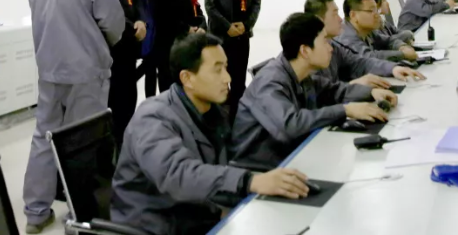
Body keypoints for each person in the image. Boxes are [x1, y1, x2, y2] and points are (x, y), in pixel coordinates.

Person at [111, 33, 311, 234]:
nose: (227, 78)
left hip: (196, 216)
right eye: (217, 70)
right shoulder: (153, 118)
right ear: (187, 78)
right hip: (155, 227)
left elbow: (216, 171)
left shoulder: (212, 112)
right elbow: (179, 176)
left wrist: (268, 182)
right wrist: (250, 181)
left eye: (225, 67)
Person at [22, 0, 125, 233]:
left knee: (43, 137)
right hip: (86, 72)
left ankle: (36, 212)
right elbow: (113, 24)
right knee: (84, 143)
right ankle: (81, 215)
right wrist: (96, 44)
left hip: (49, 70)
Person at [230, 13, 395, 169]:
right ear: (305, 51)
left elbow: (334, 90)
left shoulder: (301, 75)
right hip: (258, 171)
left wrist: (371, 92)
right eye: (325, 41)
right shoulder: (270, 81)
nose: (330, 48)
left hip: (289, 157)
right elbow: (290, 125)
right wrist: (345, 110)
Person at [91, 0, 149, 150]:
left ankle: (126, 149)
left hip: (129, 50)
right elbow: (107, 12)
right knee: (114, 107)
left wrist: (141, 20)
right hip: (113, 51)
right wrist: (132, 27)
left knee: (128, 103)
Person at [303, 0, 423, 88]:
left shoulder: (332, 44)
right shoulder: (310, 54)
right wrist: (353, 86)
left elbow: (360, 63)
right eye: (335, 14)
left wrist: (393, 68)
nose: (340, 19)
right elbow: (322, 95)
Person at [204, 0, 261, 122]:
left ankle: (237, 119)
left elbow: (256, 2)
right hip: (220, 37)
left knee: (238, 80)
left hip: (241, 36)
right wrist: (227, 26)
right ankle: (218, 120)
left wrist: (246, 25)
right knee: (219, 78)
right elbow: (210, 5)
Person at [146, 0, 206, 96]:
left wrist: (201, 26)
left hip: (189, 48)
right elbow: (162, 19)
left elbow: (197, 10)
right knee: (171, 93)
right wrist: (187, 30)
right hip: (169, 51)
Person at [337, 0, 418, 63]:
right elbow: (368, 57)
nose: (377, 15)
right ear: (353, 15)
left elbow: (388, 40)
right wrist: (402, 54)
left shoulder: (368, 29)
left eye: (376, 10)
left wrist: (402, 47)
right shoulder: (345, 36)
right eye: (371, 11)